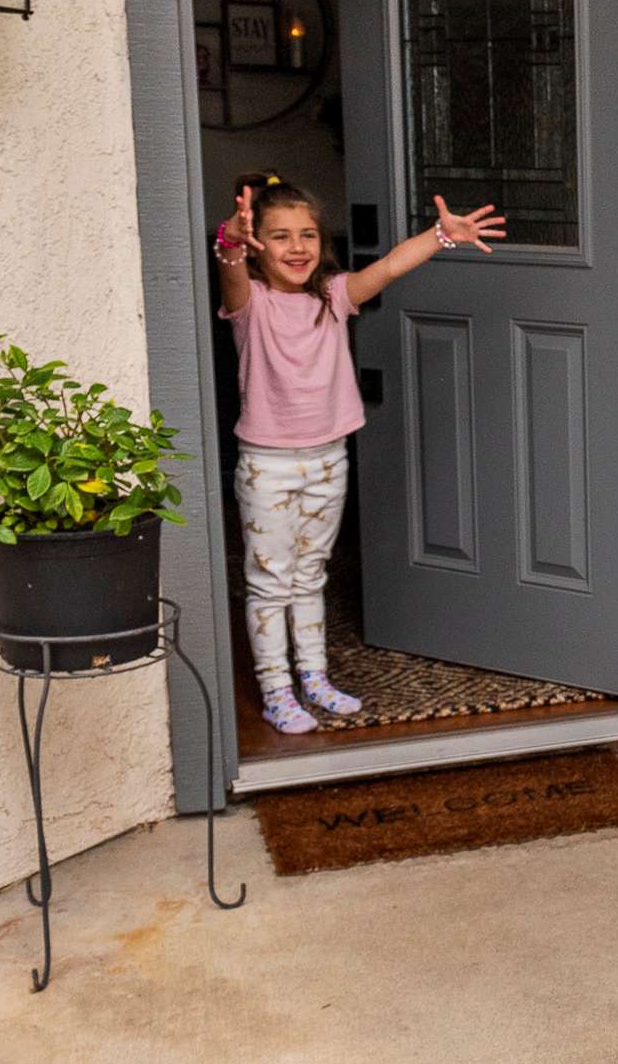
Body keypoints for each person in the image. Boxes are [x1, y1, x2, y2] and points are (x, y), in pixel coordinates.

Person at [213, 173, 505, 734]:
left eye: (307, 235)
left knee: (309, 576)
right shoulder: (251, 305)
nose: (297, 247)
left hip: (329, 459)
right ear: (257, 246)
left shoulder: (334, 296)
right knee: (271, 583)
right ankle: (277, 691)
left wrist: (441, 237)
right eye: (278, 236)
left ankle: (315, 678)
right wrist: (231, 236)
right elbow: (228, 265)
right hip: (269, 466)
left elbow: (389, 267)